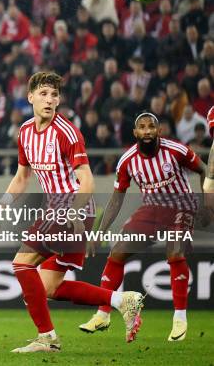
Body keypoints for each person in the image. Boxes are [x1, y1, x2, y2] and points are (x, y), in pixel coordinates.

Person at [6, 72, 144, 353]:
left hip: (71, 208)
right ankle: (121, 301)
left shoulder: (67, 132)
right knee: (48, 289)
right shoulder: (24, 132)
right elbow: (22, 177)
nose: (49, 100)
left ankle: (47, 338)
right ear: (30, 97)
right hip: (59, 210)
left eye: (54, 95)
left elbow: (88, 181)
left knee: (22, 263)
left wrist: (73, 214)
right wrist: (1, 204)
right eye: (43, 94)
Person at [80, 113, 206, 342]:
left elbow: (204, 169)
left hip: (182, 206)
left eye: (151, 127)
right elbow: (117, 198)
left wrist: (208, 204)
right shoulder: (127, 160)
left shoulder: (176, 150)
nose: (147, 131)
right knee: (117, 251)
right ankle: (102, 314)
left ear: (159, 131)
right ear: (135, 133)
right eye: (142, 127)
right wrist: (99, 231)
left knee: (175, 252)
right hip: (152, 210)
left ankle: (180, 319)